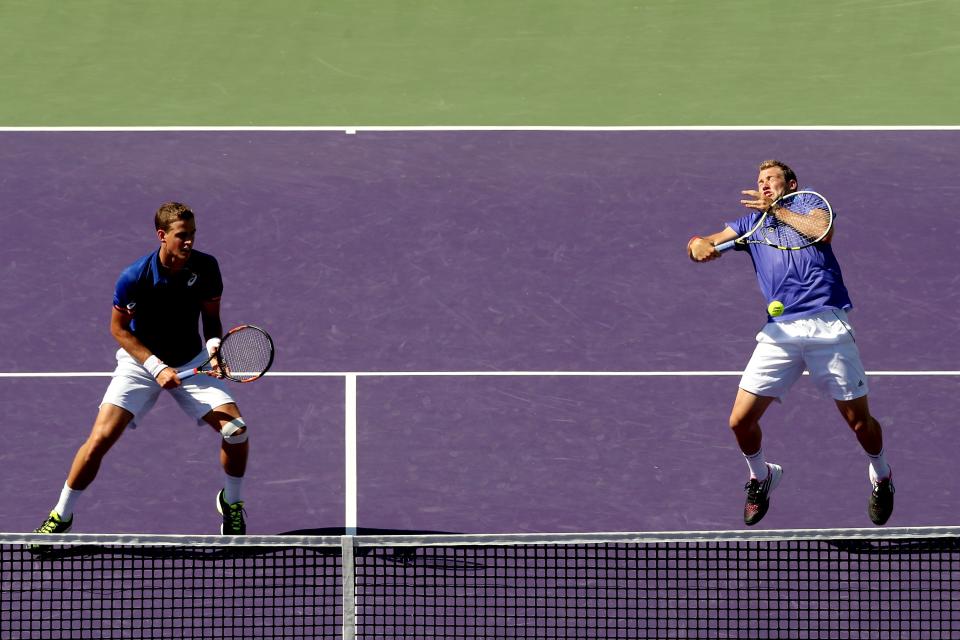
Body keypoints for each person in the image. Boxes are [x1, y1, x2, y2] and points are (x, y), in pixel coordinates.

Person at [687, 160, 894, 526]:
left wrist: (776, 210)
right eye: (760, 180)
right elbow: (705, 240)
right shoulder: (750, 224)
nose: (764, 184)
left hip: (826, 326)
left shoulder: (811, 208)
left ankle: (881, 475)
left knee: (859, 423)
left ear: (791, 184)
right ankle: (761, 476)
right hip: (779, 332)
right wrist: (699, 246)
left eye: (772, 179)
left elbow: (823, 231)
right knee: (739, 421)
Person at [33, 202, 249, 538]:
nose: (189, 241)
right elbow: (119, 330)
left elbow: (211, 317)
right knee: (99, 440)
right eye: (181, 235)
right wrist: (155, 366)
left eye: (192, 234)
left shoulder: (207, 268)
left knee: (236, 431)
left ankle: (231, 503)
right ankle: (62, 514)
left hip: (190, 360)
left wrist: (214, 348)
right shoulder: (135, 277)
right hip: (140, 363)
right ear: (162, 236)